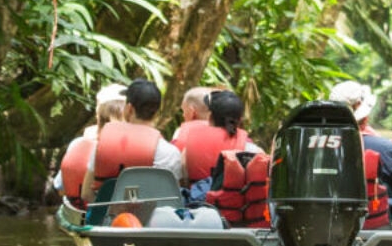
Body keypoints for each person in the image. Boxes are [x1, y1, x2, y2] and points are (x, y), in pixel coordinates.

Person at [58, 78, 181, 208]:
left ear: (129, 109)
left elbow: (86, 195)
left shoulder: (103, 147)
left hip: (108, 219)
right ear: (157, 113)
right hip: (154, 220)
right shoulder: (170, 153)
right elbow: (172, 201)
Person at [328, 79, 392, 226]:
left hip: (330, 222)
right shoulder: (386, 149)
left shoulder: (316, 147)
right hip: (376, 225)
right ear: (365, 119)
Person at [193, 90, 271, 228]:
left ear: (210, 117)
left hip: (199, 219)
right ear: (240, 120)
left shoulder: (187, 148)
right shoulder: (254, 152)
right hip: (239, 225)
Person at [172, 86, 225, 182]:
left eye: (183, 111)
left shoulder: (180, 132)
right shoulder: (227, 131)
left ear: (192, 112)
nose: (183, 115)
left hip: (193, 191)